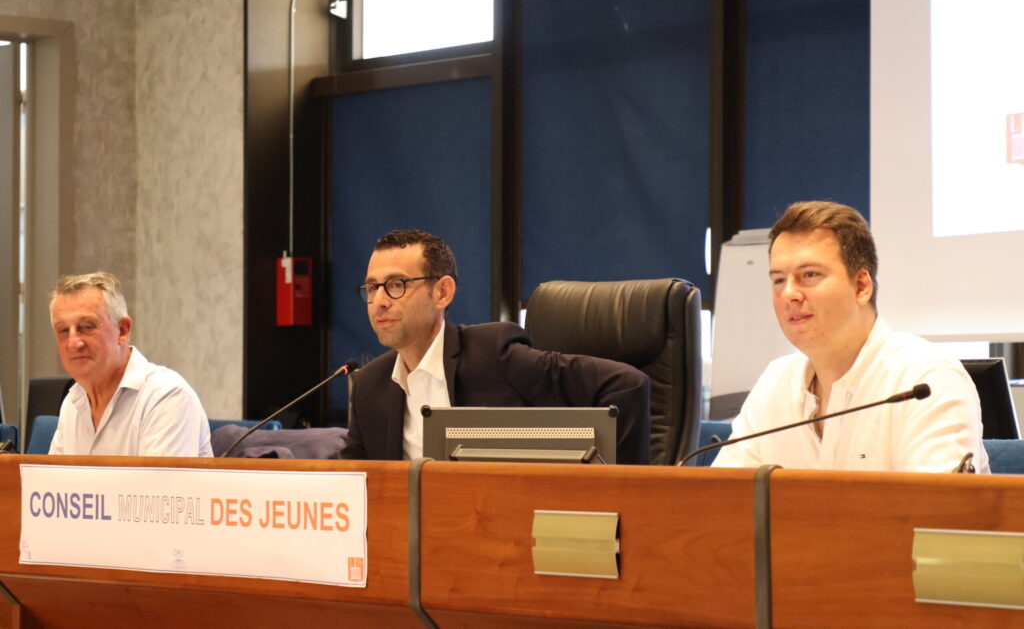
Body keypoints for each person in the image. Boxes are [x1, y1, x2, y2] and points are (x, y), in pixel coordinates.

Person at [712, 201, 989, 472]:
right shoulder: (776, 381)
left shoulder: (925, 381)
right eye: (779, 280)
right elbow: (723, 495)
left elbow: (938, 503)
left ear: (861, 286)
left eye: (809, 274)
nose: (789, 294)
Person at [341, 229, 651, 464]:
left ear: (442, 292)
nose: (379, 301)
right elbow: (355, 484)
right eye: (372, 287)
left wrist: (613, 493)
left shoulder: (495, 356)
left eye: (396, 285)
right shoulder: (370, 386)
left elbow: (626, 385)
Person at [48, 272, 212, 457]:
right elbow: (51, 476)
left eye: (87, 327)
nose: (73, 343)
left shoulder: (166, 396)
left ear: (122, 330)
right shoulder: (72, 402)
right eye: (63, 330)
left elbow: (158, 477)